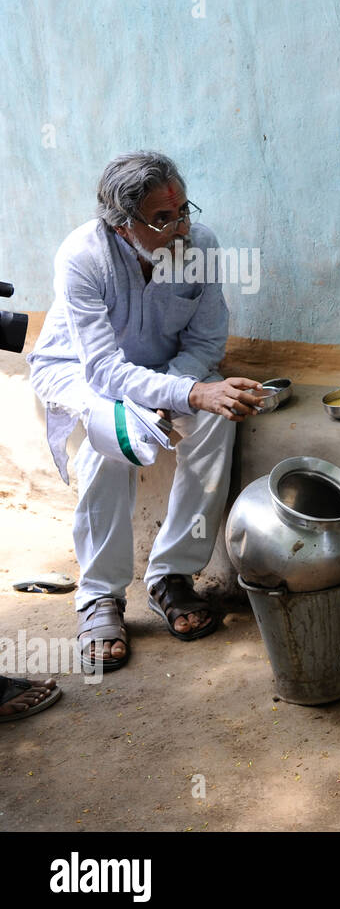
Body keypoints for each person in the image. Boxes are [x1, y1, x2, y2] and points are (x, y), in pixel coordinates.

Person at [28, 151, 264, 673]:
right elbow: (104, 373)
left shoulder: (199, 246)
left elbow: (205, 342)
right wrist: (186, 394)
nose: (180, 227)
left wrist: (180, 390)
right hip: (82, 373)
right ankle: (100, 596)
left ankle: (171, 576)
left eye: (183, 209)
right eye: (163, 218)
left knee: (216, 422)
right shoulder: (82, 257)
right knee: (110, 439)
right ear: (120, 223)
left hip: (166, 369)